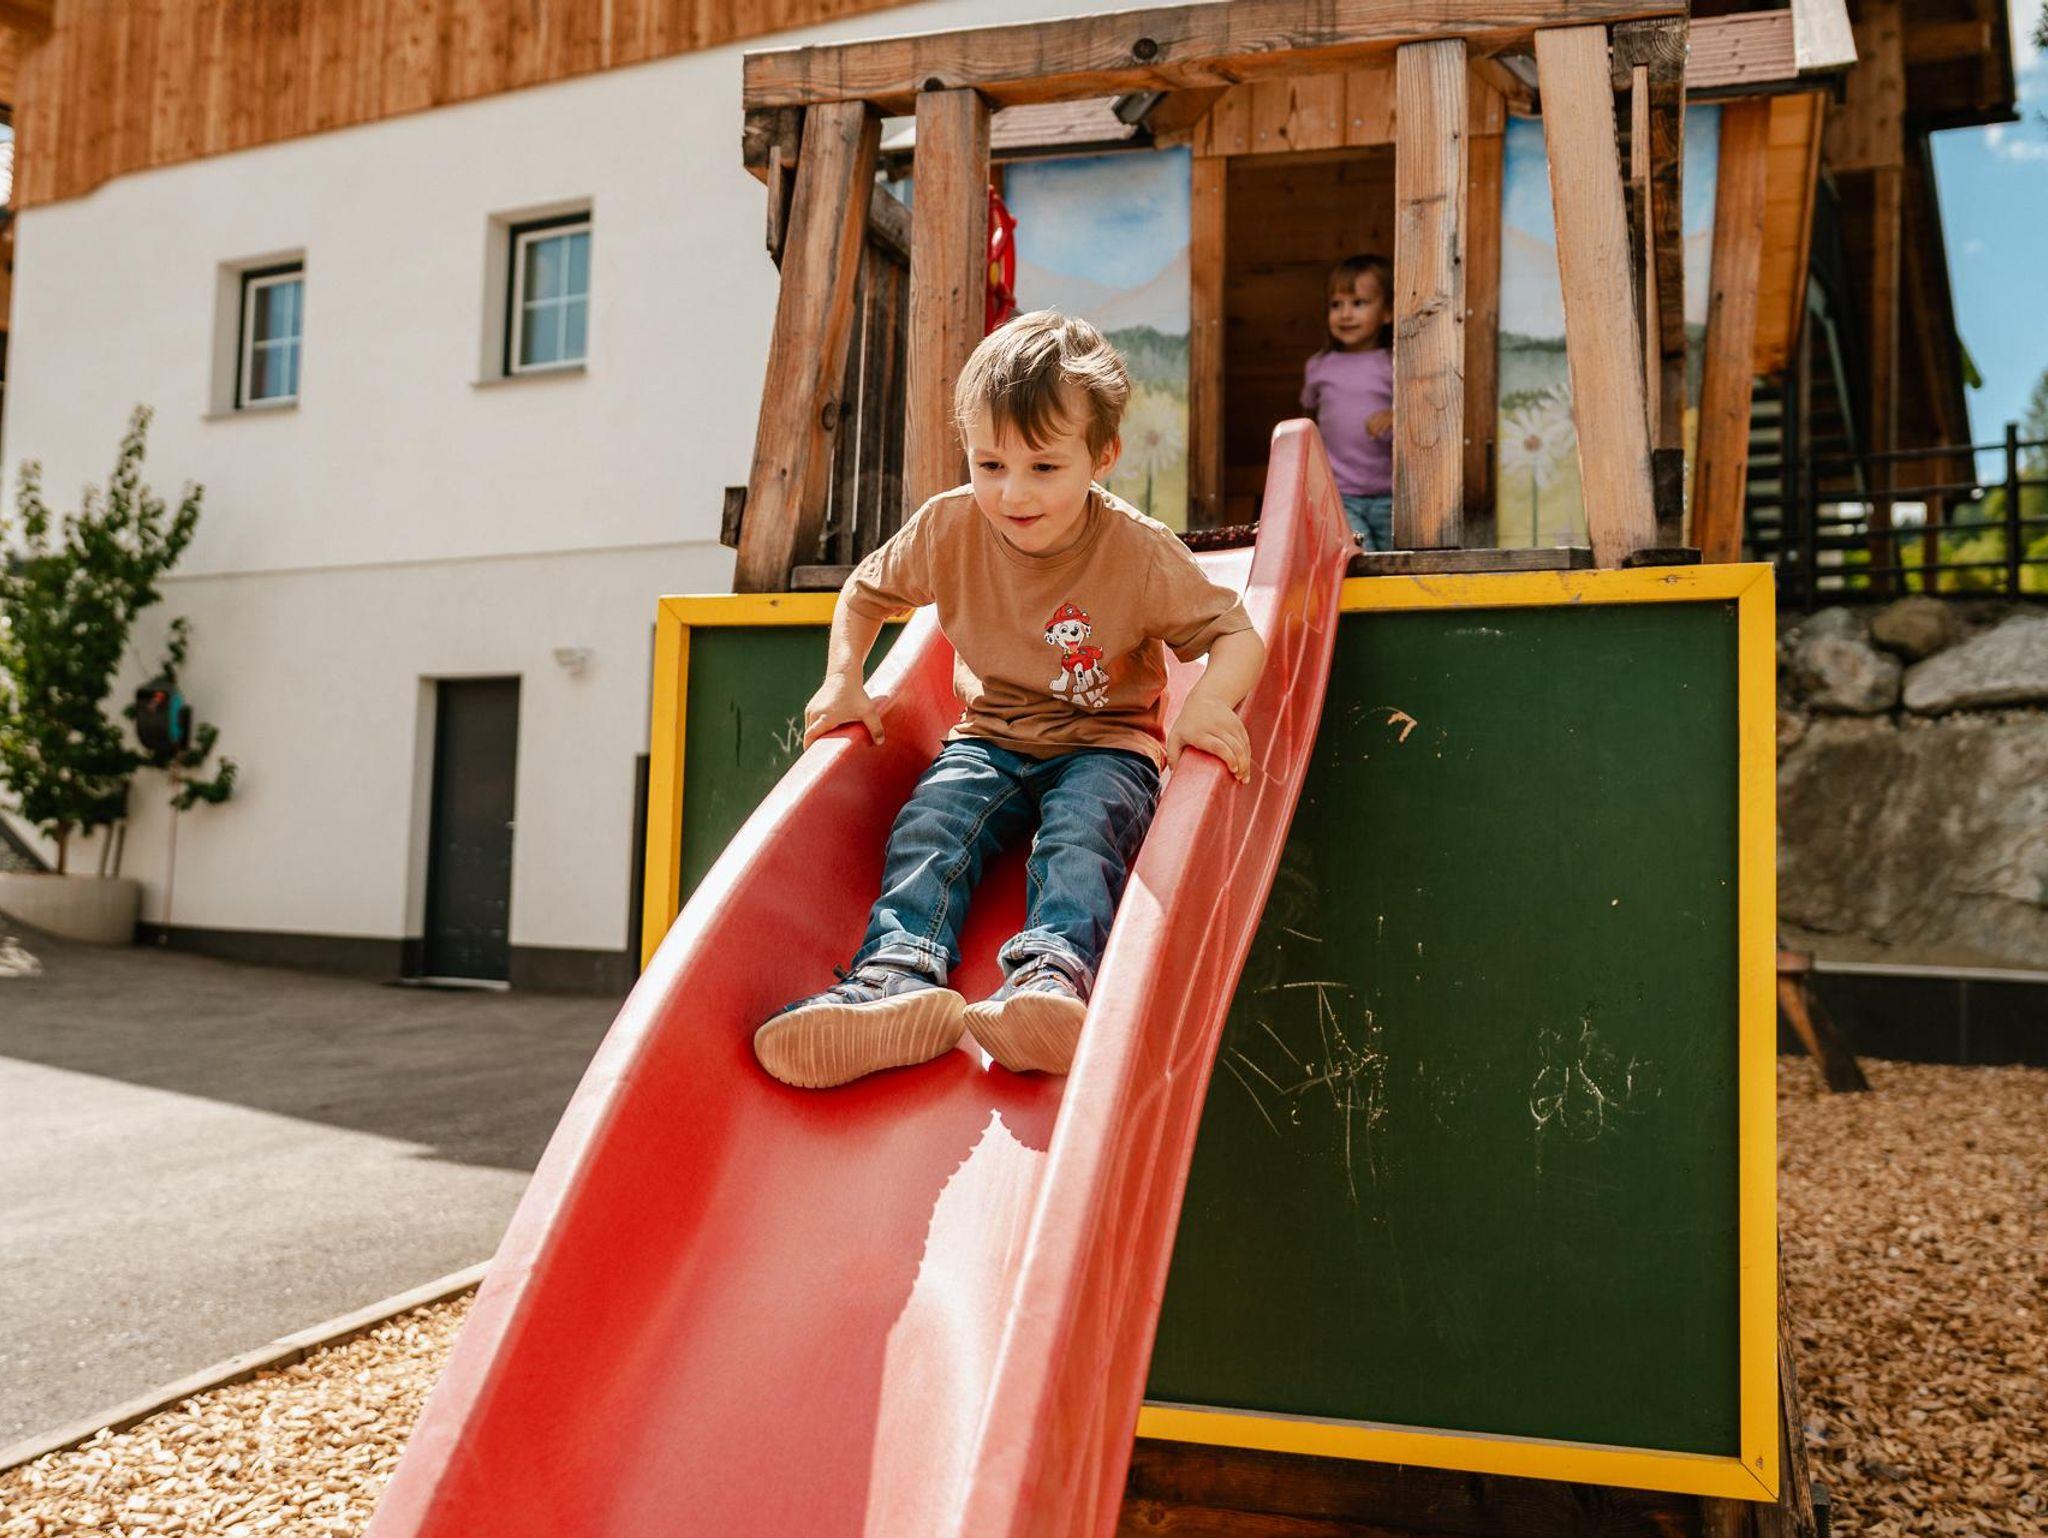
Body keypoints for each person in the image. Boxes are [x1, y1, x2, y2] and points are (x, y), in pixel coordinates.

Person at [752, 310, 1266, 1090]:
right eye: (989, 464)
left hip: (1106, 742)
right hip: (988, 736)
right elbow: (866, 591)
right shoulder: (951, 527)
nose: (1013, 493)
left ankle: (1049, 982)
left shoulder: (1137, 551)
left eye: (1044, 467)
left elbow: (1237, 634)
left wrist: (1208, 705)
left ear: (1102, 456)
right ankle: (894, 976)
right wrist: (843, 678)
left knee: (1083, 834)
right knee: (931, 824)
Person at [1300, 252, 1396, 550]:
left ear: (1387, 313)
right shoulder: (1319, 366)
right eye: (1336, 304)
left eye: (1358, 303)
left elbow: (1423, 411)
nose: (1345, 314)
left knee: (1398, 560)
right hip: (1341, 492)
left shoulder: (1394, 363)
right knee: (1357, 557)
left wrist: (1396, 414)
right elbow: (1307, 417)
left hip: (1392, 493)